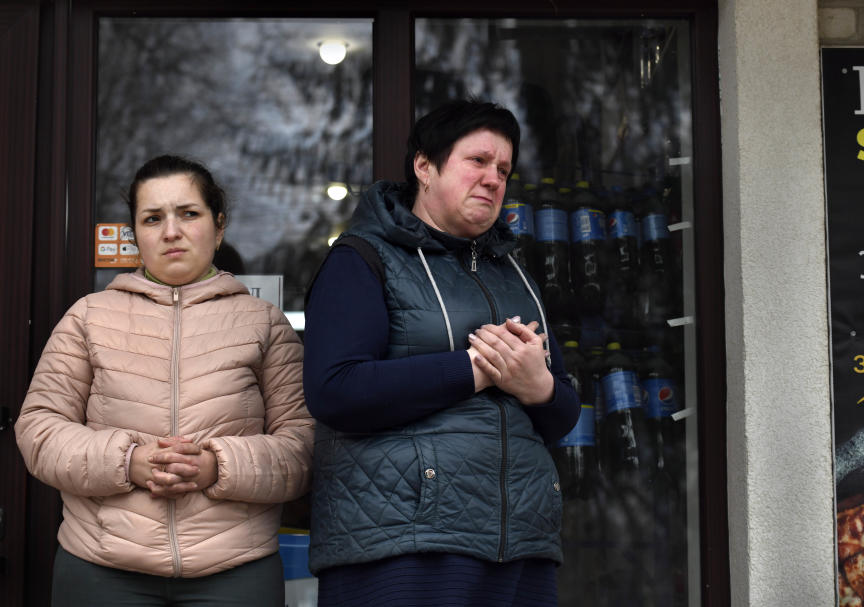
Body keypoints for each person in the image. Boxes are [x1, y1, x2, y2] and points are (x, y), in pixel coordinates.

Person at [304, 99, 580, 606]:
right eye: (477, 161)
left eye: (503, 169)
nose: (494, 179)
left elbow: (561, 410)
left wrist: (536, 386)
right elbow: (335, 392)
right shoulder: (362, 258)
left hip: (521, 542)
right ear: (424, 167)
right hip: (403, 545)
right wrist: (477, 369)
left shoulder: (514, 273)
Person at [15, 155, 314, 607]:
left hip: (235, 571)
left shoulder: (264, 323)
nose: (170, 231)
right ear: (136, 235)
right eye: (152, 219)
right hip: (101, 567)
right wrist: (128, 461)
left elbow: (304, 444)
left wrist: (218, 465)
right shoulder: (89, 317)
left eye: (188, 214)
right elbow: (38, 429)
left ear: (219, 225)